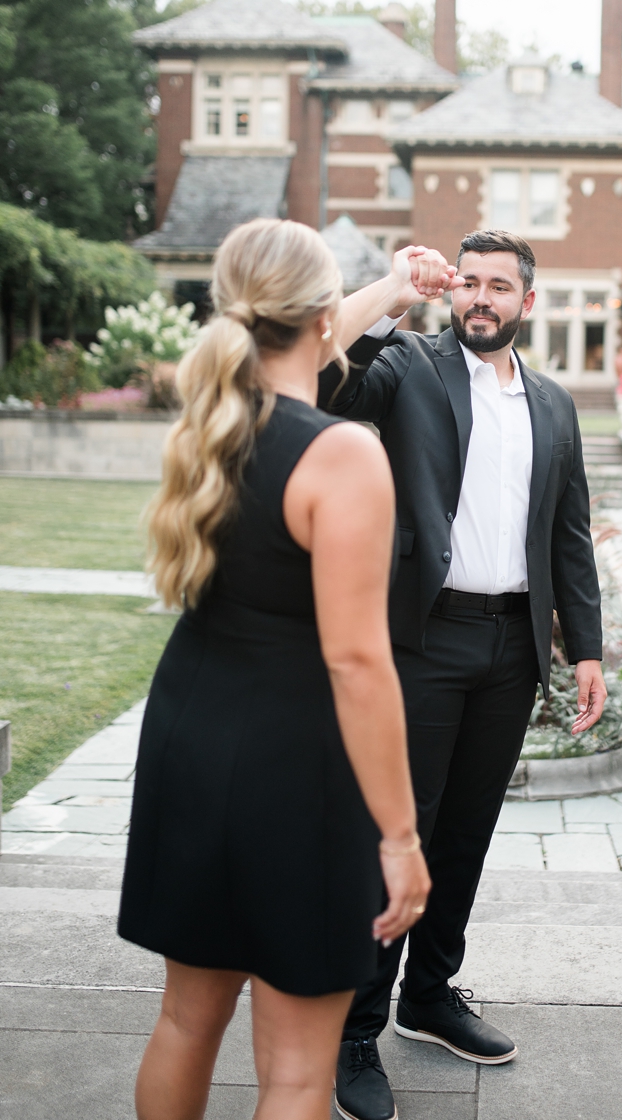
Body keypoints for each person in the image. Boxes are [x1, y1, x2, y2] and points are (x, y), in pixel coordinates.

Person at [118, 220, 450, 1119]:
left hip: (190, 737)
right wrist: (401, 838)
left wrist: (392, 286)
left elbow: (309, 331)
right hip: (295, 770)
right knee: (299, 1073)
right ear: (318, 319)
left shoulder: (208, 429)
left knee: (185, 1022)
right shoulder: (340, 452)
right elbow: (355, 662)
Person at [322, 229, 605, 1120]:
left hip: (512, 647)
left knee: (468, 832)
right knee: (399, 832)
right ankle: (356, 1030)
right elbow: (327, 376)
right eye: (469, 284)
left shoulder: (554, 406)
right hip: (425, 639)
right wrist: (394, 292)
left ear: (528, 301)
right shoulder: (410, 367)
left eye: (498, 286)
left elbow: (568, 534)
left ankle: (429, 996)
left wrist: (584, 646)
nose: (481, 298)